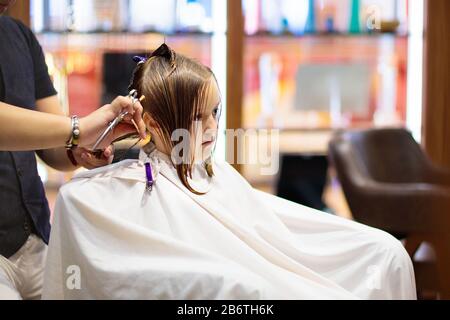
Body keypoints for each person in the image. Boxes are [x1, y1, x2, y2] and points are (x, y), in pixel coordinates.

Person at [43, 44, 417, 300]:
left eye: (215, 113)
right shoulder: (124, 187)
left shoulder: (214, 174)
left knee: (387, 253)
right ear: (153, 122)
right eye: (196, 117)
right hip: (243, 285)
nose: (211, 129)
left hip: (262, 272)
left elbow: (272, 232)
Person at [0, 2, 145, 300]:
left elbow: (53, 142)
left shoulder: (21, 38)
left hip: (36, 237)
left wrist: (78, 150)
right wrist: (79, 129)